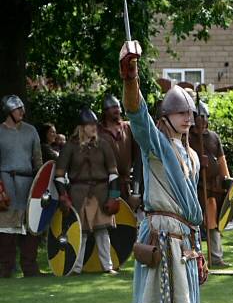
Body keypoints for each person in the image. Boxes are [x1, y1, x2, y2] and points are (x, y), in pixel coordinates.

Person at [120, 40, 219, 303]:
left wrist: (201, 252)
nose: (188, 118)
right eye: (181, 113)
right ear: (166, 117)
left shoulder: (192, 154)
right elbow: (136, 115)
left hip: (185, 240)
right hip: (164, 237)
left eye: (190, 113)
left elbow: (192, 209)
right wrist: (131, 75)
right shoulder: (156, 145)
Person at [54, 108, 120, 274]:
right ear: (81, 127)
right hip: (78, 192)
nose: (93, 128)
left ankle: (108, 267)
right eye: (89, 125)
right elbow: (59, 175)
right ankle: (75, 268)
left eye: (94, 125)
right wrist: (63, 195)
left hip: (101, 191)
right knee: (80, 233)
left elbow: (113, 174)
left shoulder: (103, 144)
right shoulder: (70, 146)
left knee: (102, 231)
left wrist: (114, 196)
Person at [0, 95, 43, 277]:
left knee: (30, 226)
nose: (22, 112)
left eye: (22, 109)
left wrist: (41, 183)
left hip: (28, 184)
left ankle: (30, 267)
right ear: (9, 111)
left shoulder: (31, 131)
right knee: (6, 228)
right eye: (18, 109)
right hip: (6, 182)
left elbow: (38, 160)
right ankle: (5, 268)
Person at [189, 100, 231, 267]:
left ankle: (216, 257)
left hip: (213, 189)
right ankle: (195, 257)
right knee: (194, 224)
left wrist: (227, 180)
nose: (203, 120)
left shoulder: (213, 137)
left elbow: (221, 160)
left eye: (205, 117)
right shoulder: (187, 137)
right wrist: (199, 162)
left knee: (213, 224)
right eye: (200, 117)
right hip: (195, 187)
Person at [98, 93, 142, 211]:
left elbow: (138, 157)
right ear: (105, 111)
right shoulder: (98, 131)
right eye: (113, 107)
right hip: (105, 186)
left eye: (117, 106)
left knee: (126, 223)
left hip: (125, 185)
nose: (117, 110)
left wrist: (136, 192)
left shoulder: (128, 128)